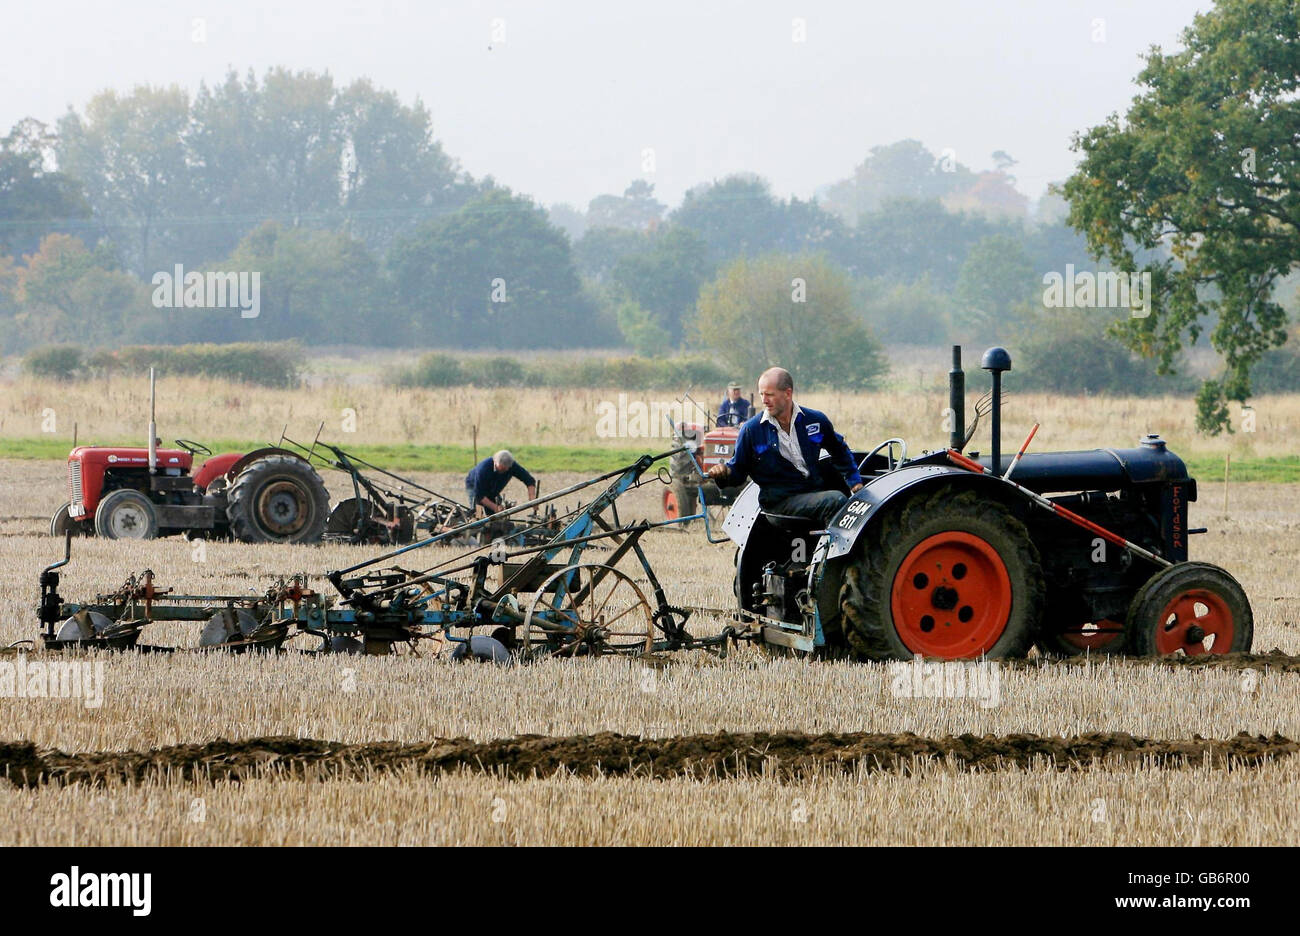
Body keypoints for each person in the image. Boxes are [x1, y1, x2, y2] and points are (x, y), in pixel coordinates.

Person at [706, 367, 862, 527]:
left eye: (770, 395)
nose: (764, 400)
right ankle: (836, 551)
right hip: (779, 503)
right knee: (835, 500)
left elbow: (838, 449)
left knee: (845, 494)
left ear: (788, 393)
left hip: (811, 492)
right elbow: (737, 471)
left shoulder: (815, 420)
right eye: (761, 394)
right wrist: (724, 473)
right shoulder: (751, 430)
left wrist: (854, 481)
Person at [465, 450, 537, 516]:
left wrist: (532, 497)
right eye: (502, 468)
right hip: (474, 486)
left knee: (494, 517)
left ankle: (493, 526)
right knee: (477, 514)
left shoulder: (512, 466)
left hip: (493, 489)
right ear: (495, 462)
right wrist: (495, 507)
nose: (506, 470)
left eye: (507, 468)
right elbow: (479, 496)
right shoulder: (483, 469)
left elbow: (529, 480)